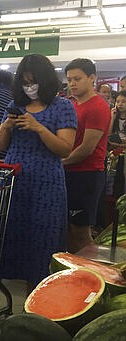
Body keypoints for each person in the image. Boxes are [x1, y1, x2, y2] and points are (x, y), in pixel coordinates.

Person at [0, 54, 77, 312]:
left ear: (45, 81)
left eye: (33, 82)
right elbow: (0, 146)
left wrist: (39, 128)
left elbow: (65, 149)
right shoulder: (14, 105)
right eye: (24, 82)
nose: (29, 87)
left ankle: (33, 306)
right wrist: (6, 127)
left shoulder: (62, 107)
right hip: (13, 182)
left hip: (46, 185)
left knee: (42, 242)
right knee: (0, 238)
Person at [63, 58, 111, 253]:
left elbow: (87, 148)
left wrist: (60, 162)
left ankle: (91, 278)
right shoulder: (73, 105)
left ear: (92, 78)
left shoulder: (97, 106)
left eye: (77, 79)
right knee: (67, 228)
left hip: (86, 175)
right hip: (69, 172)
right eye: (69, 80)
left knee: (81, 231)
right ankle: (72, 275)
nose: (72, 84)